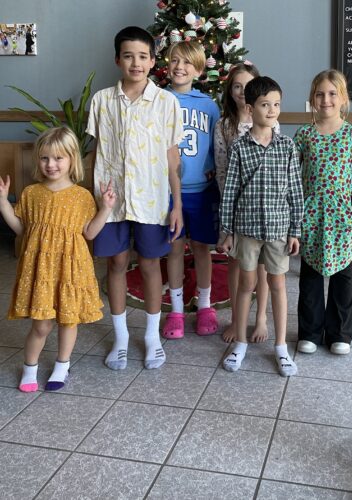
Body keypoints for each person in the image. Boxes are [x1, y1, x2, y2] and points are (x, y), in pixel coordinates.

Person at [86, 26, 184, 370]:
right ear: (117, 60)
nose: (136, 62)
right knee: (115, 263)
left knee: (149, 264)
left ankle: (152, 336)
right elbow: (96, 153)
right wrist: (92, 201)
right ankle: (121, 336)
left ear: (153, 61)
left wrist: (177, 205)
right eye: (128, 55)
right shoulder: (101, 101)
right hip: (110, 201)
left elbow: (173, 159)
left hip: (152, 200)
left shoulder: (167, 103)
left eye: (143, 56)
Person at [0, 127, 116, 392]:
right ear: (37, 160)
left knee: (68, 320)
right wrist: (3, 203)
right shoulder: (31, 193)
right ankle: (30, 367)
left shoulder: (82, 196)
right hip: (40, 269)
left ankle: (62, 365)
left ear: (72, 159)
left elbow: (89, 232)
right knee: (41, 326)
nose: (51, 164)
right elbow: (21, 230)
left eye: (58, 158)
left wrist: (106, 209)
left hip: (71, 268)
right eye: (44, 158)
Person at [219, 76, 303, 377]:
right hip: (247, 230)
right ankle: (240, 342)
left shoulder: (288, 147)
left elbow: (295, 190)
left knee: (278, 285)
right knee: (246, 285)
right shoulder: (240, 148)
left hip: (279, 231)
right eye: (265, 104)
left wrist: (296, 230)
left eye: (277, 104)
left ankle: (280, 346)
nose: (272, 110)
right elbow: (230, 191)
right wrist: (226, 231)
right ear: (250, 107)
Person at [294, 69, 352, 356]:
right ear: (312, 98)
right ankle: (310, 332)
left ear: (342, 98)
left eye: (331, 93)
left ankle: (340, 332)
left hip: (342, 217)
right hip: (312, 216)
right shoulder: (304, 135)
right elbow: (293, 174)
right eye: (319, 94)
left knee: (343, 277)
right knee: (310, 277)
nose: (325, 99)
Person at [162, 41, 221, 339]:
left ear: (199, 70)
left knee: (201, 249)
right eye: (174, 60)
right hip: (168, 191)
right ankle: (174, 310)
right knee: (173, 247)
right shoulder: (158, 100)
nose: (179, 67)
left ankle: (206, 305)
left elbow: (217, 143)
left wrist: (213, 167)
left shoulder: (209, 105)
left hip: (202, 190)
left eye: (187, 62)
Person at [214, 62, 275, 344]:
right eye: (237, 86)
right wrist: (232, 211)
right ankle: (236, 319)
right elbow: (222, 169)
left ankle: (260, 317)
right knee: (236, 265)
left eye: (247, 86)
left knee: (262, 267)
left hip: (264, 210)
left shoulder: (269, 120)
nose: (242, 91)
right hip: (236, 208)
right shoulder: (224, 125)